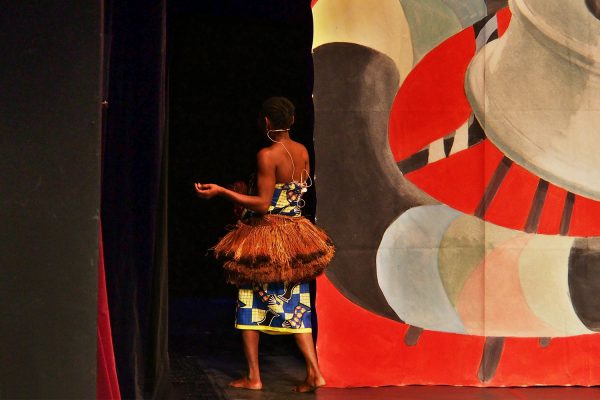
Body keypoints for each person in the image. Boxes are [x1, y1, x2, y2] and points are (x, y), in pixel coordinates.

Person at [194, 97, 333, 392]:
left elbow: (262, 204)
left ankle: (255, 377)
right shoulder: (301, 150)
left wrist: (221, 191)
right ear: (291, 121)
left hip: (269, 237)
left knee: (249, 303)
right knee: (297, 306)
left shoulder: (267, 155)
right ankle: (314, 372)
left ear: (267, 123)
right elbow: (297, 190)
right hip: (295, 237)